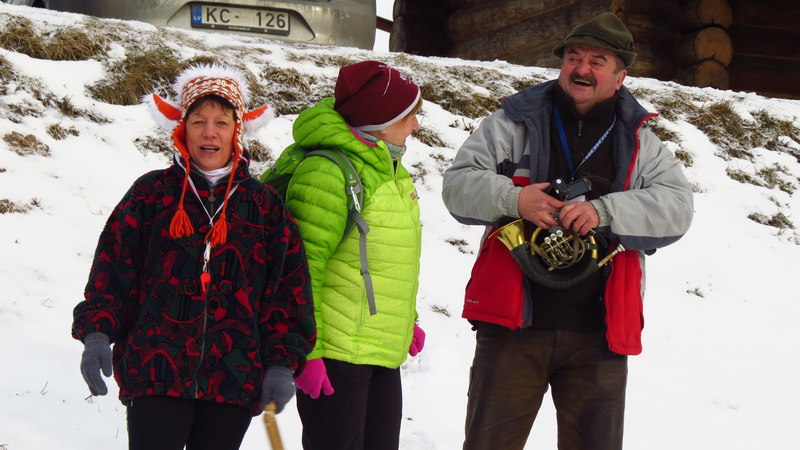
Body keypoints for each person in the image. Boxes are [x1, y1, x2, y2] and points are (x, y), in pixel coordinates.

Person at [442, 13, 694, 450]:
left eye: (598, 61)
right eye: (574, 57)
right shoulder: (510, 122)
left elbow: (678, 209)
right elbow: (457, 186)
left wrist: (605, 211)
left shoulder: (641, 140)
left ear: (620, 77)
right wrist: (515, 200)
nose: (582, 69)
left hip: (599, 333)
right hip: (513, 327)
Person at [72, 64, 316, 450]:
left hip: (233, 377)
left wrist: (281, 364)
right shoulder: (150, 194)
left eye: (221, 122)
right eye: (198, 121)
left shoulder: (264, 207)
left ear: (237, 130)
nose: (209, 132)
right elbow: (112, 271)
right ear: (182, 128)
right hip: (155, 370)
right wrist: (98, 333)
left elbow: (287, 292)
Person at [277, 60, 426, 450]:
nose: (416, 126)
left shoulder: (390, 168)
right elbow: (301, 269)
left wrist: (406, 320)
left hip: (378, 350)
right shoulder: (327, 172)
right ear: (381, 120)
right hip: (336, 353)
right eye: (409, 116)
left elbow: (387, 259)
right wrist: (308, 350)